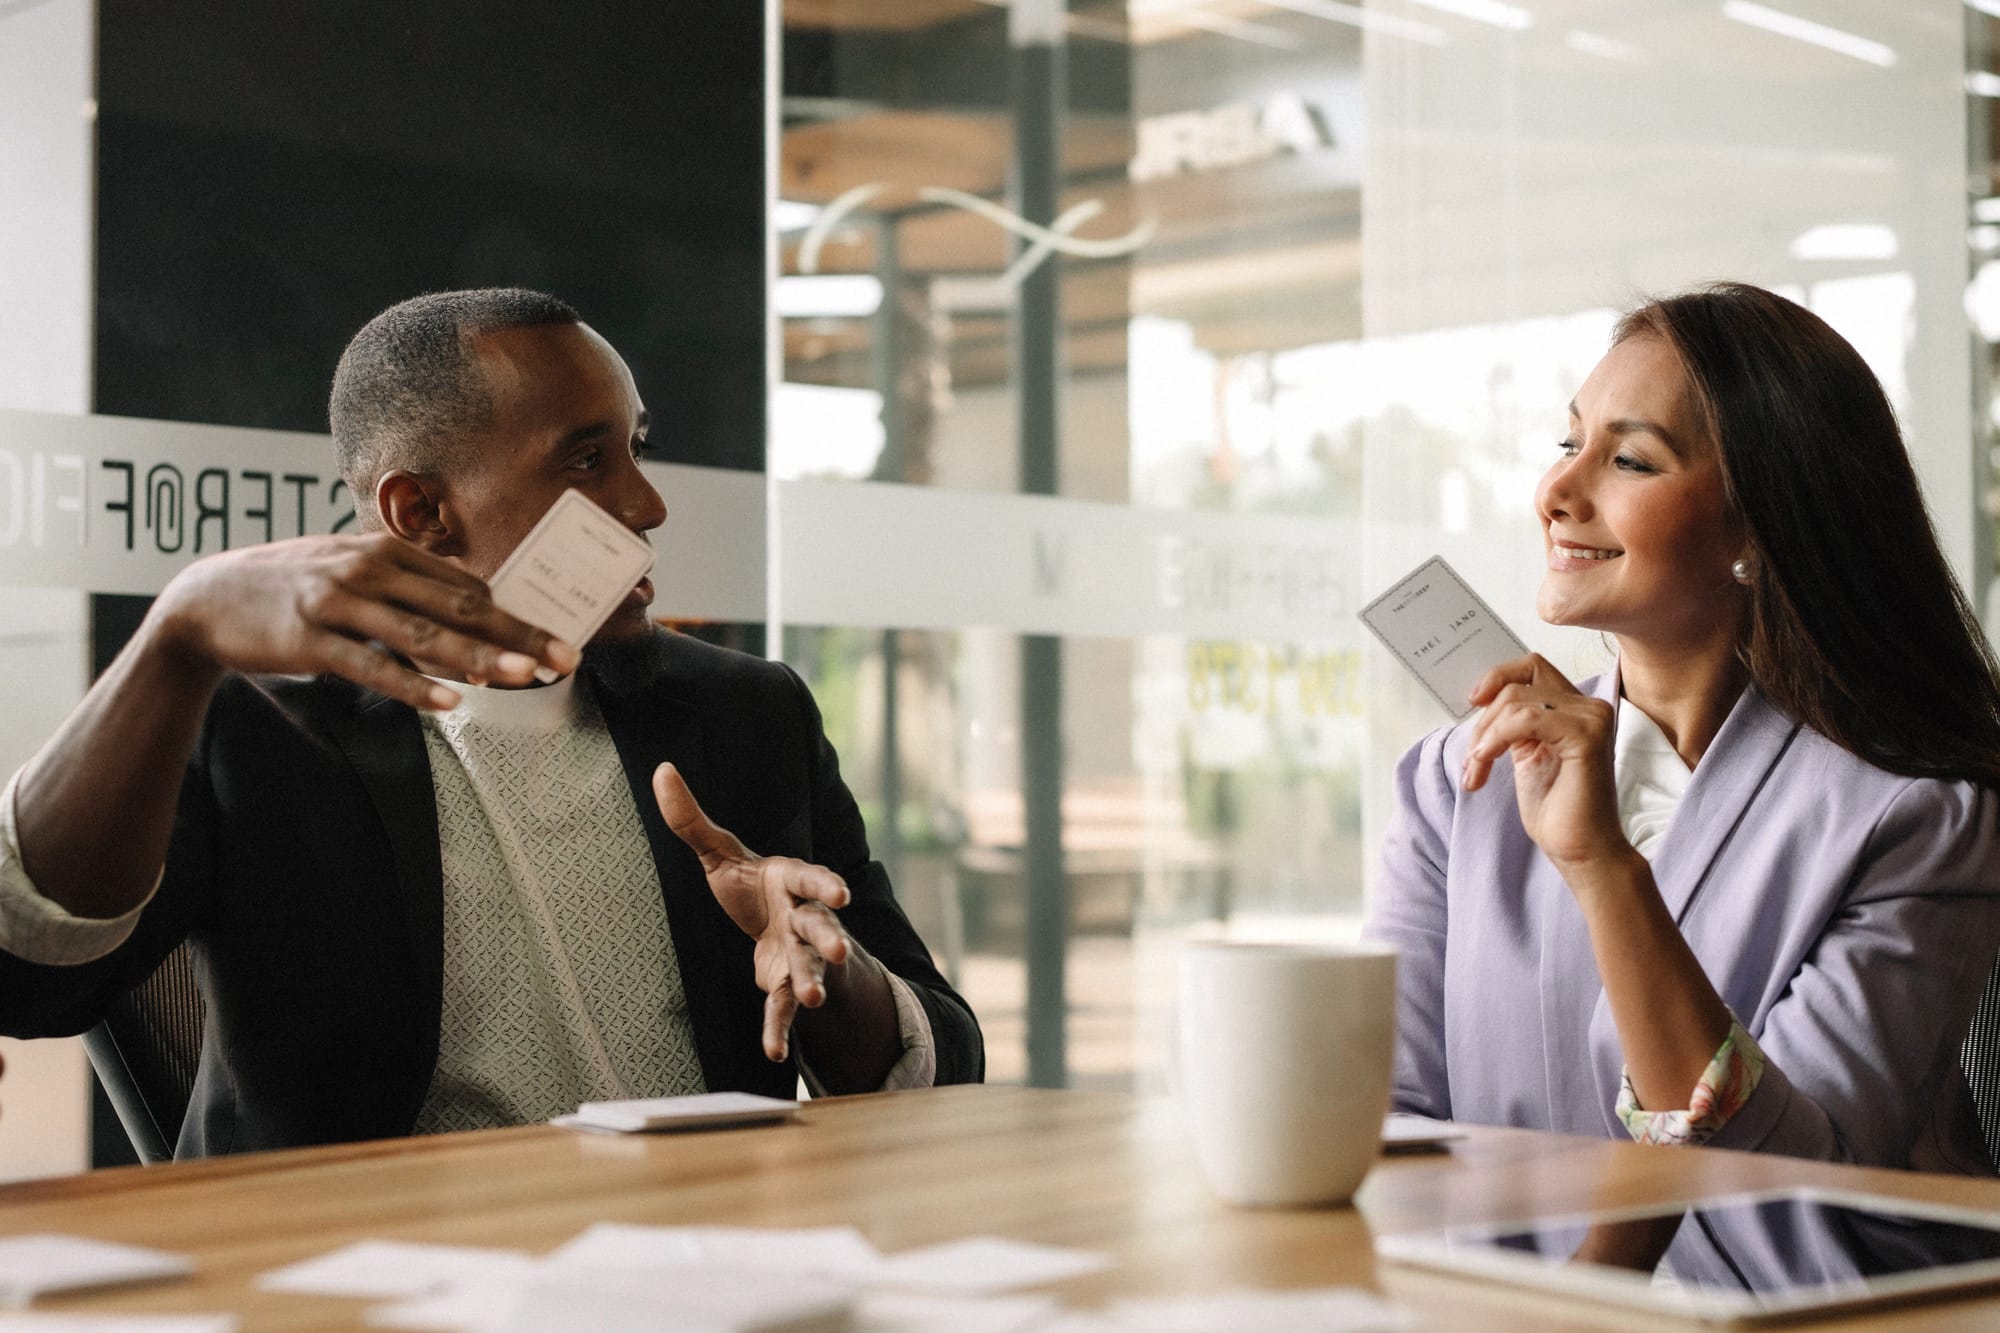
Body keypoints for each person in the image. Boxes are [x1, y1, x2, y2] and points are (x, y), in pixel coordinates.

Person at [0, 288, 981, 1156]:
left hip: (696, 1263)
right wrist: (173, 639)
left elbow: (942, 1065)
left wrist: (830, 974)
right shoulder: (253, 724)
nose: (644, 503)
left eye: (635, 448)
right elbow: (26, 983)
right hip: (359, 1283)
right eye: (585, 461)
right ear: (420, 510)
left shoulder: (742, 715)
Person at [1366, 281, 2000, 1172]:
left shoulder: (1915, 818)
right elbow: (1387, 1123)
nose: (1556, 488)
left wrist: (1603, 867)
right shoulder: (1455, 783)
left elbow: (1798, 1184)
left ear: (1760, 521)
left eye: (1630, 461)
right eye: (1569, 442)